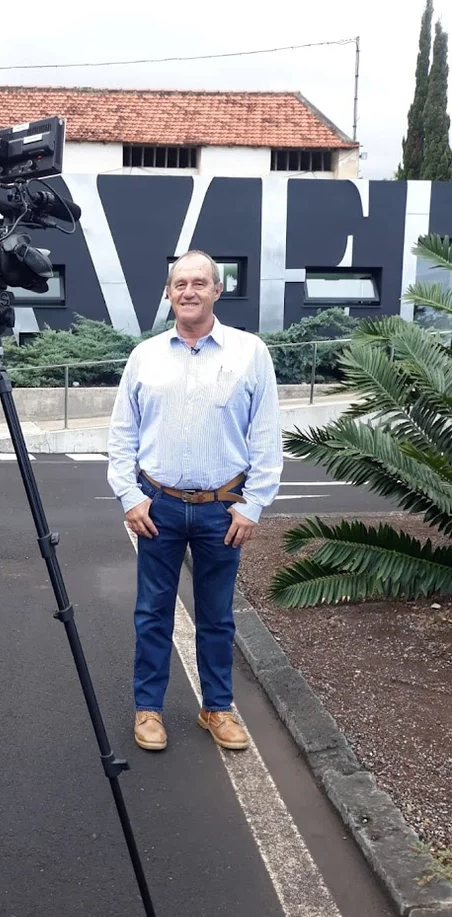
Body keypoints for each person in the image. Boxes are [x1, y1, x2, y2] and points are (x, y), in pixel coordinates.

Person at [107, 250, 282, 753]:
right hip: (156, 507)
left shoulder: (250, 353)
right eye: (180, 283)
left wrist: (254, 505)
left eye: (199, 283)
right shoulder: (146, 356)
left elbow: (267, 436)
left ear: (216, 290)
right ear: (168, 292)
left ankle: (217, 708)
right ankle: (148, 710)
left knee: (217, 615)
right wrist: (129, 496)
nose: (189, 291)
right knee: (152, 612)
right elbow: (122, 433)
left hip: (221, 511)